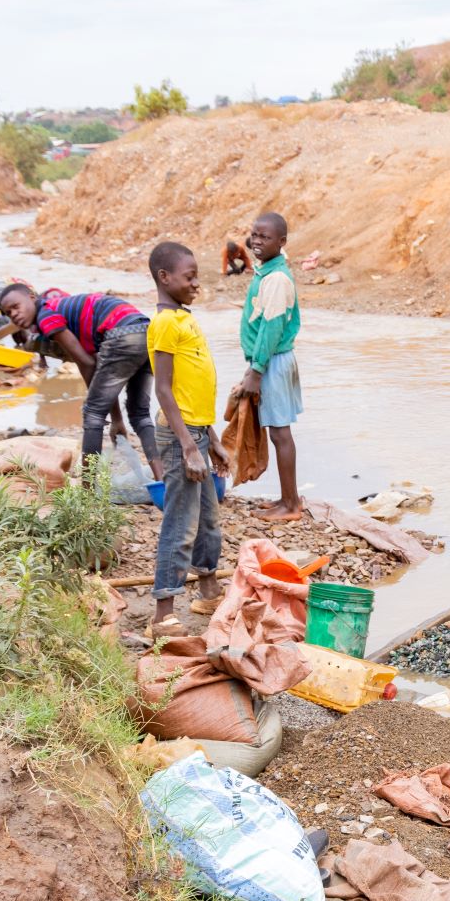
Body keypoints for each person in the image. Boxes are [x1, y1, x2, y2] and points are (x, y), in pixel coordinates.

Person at [0, 283, 161, 479]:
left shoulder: (45, 315)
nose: (13, 315)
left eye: (16, 306)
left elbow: (86, 362)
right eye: (8, 313)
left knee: (92, 413)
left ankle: (88, 488)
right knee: (140, 414)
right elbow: (100, 371)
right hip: (147, 332)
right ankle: (162, 481)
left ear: (32, 297)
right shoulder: (58, 308)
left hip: (122, 334)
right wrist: (116, 418)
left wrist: (110, 415)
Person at [147, 242, 229, 631]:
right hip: (182, 440)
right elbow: (164, 390)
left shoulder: (184, 318)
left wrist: (210, 439)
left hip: (197, 434)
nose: (197, 283)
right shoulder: (163, 324)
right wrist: (187, 446)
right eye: (189, 276)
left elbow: (191, 390)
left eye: (197, 275)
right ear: (165, 278)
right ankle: (162, 613)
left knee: (209, 521)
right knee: (180, 524)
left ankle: (208, 592)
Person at [233, 212, 303, 520]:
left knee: (280, 433)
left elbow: (271, 329)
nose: (257, 242)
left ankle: (291, 504)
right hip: (271, 360)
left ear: (282, 242)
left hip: (272, 361)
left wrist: (256, 370)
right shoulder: (267, 272)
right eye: (255, 235)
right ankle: (287, 498)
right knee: (278, 431)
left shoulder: (276, 279)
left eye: (266, 237)